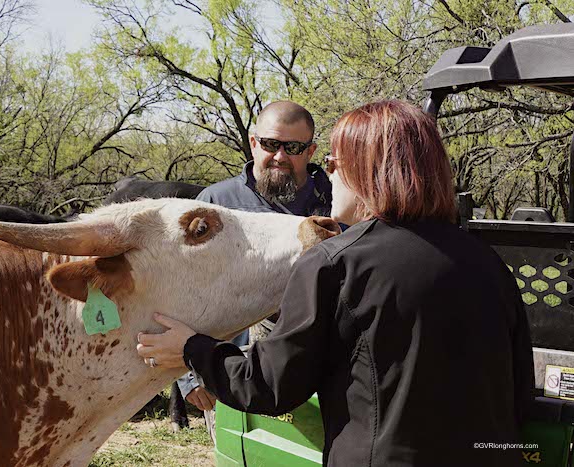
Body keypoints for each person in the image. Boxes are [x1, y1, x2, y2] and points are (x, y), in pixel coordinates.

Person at [137, 100, 534, 466]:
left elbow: (270, 386)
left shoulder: (336, 262)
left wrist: (192, 349)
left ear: (365, 171)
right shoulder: (487, 263)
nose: (327, 175)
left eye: (331, 162)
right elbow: (519, 394)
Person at [179, 100, 334, 412]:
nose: (279, 156)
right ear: (253, 143)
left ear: (311, 151)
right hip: (228, 369)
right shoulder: (215, 203)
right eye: (269, 144)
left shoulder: (336, 200)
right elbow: (180, 289)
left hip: (325, 371)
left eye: (292, 146)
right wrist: (189, 375)